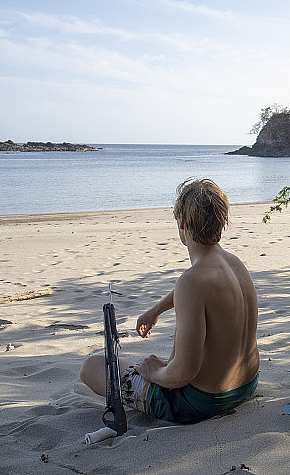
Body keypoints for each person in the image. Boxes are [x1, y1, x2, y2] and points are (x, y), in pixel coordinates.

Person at [80, 178, 259, 423]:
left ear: (182, 223)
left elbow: (184, 373)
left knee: (91, 366)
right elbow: (203, 293)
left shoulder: (192, 280)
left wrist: (154, 373)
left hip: (199, 402)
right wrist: (156, 309)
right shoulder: (235, 265)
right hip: (245, 385)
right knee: (157, 361)